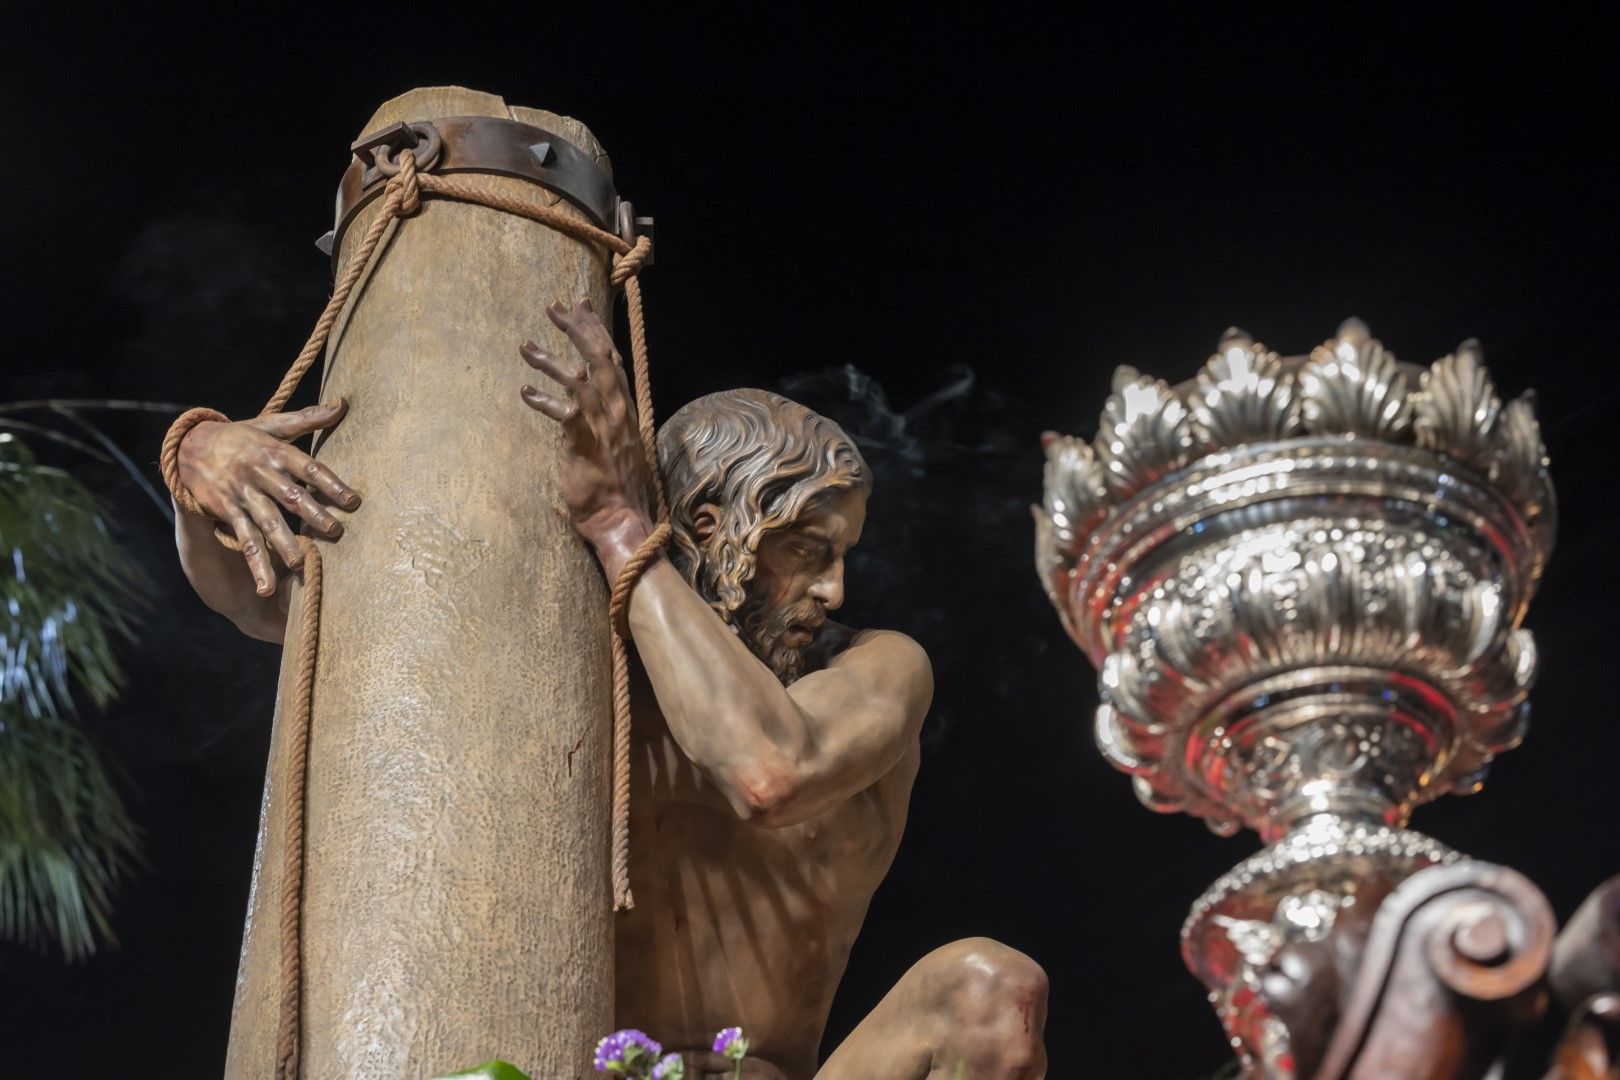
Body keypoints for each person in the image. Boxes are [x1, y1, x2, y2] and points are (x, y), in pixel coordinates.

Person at [173, 298, 1047, 1079]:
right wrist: (198, 457)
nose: (836, 592)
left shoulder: (877, 669)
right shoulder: (575, 660)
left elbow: (770, 768)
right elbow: (295, 613)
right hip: (585, 1070)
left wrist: (623, 531)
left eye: (845, 555)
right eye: (809, 552)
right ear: (713, 531)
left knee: (988, 987)